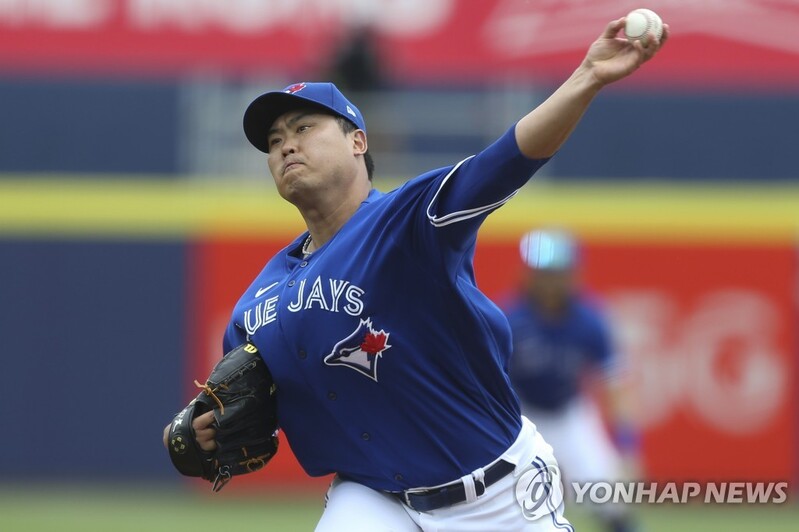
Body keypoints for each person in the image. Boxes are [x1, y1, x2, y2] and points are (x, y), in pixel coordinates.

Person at [164, 15, 667, 531]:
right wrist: (198, 430)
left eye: (304, 128)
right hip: (373, 497)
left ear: (358, 142)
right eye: (273, 140)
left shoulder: (407, 222)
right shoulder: (258, 302)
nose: (286, 145)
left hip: (495, 494)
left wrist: (587, 76)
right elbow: (242, 410)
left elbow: (507, 159)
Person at [505, 228, 639, 532]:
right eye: (541, 272)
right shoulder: (511, 319)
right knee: (514, 503)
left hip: (569, 412)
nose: (549, 280)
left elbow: (615, 382)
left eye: (556, 273)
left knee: (609, 495)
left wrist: (628, 445)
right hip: (523, 414)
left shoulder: (590, 321)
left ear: (572, 275)